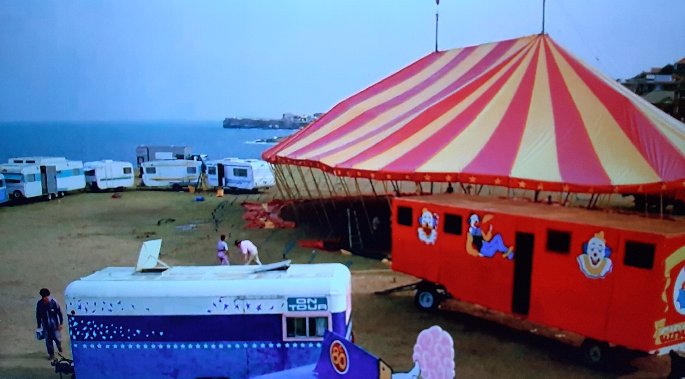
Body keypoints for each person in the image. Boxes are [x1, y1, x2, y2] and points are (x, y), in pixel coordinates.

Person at [35, 288, 63, 360]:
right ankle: (51, 354)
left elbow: (59, 313)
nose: (45, 298)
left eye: (46, 296)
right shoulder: (40, 304)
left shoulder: (54, 302)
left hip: (55, 325)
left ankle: (59, 345)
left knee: (57, 338)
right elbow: (38, 315)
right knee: (48, 340)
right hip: (45, 325)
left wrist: (61, 323)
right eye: (44, 297)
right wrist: (39, 326)